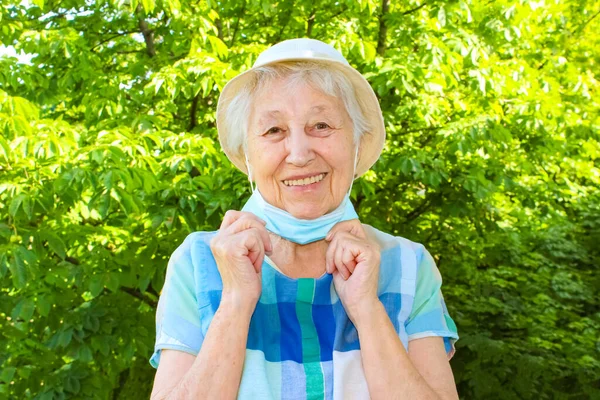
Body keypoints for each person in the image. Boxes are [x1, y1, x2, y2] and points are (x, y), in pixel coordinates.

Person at [149, 38, 459, 400]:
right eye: (273, 131)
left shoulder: (408, 264)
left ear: (358, 144)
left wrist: (367, 309)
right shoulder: (199, 262)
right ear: (247, 154)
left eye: (322, 125)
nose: (298, 154)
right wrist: (235, 301)